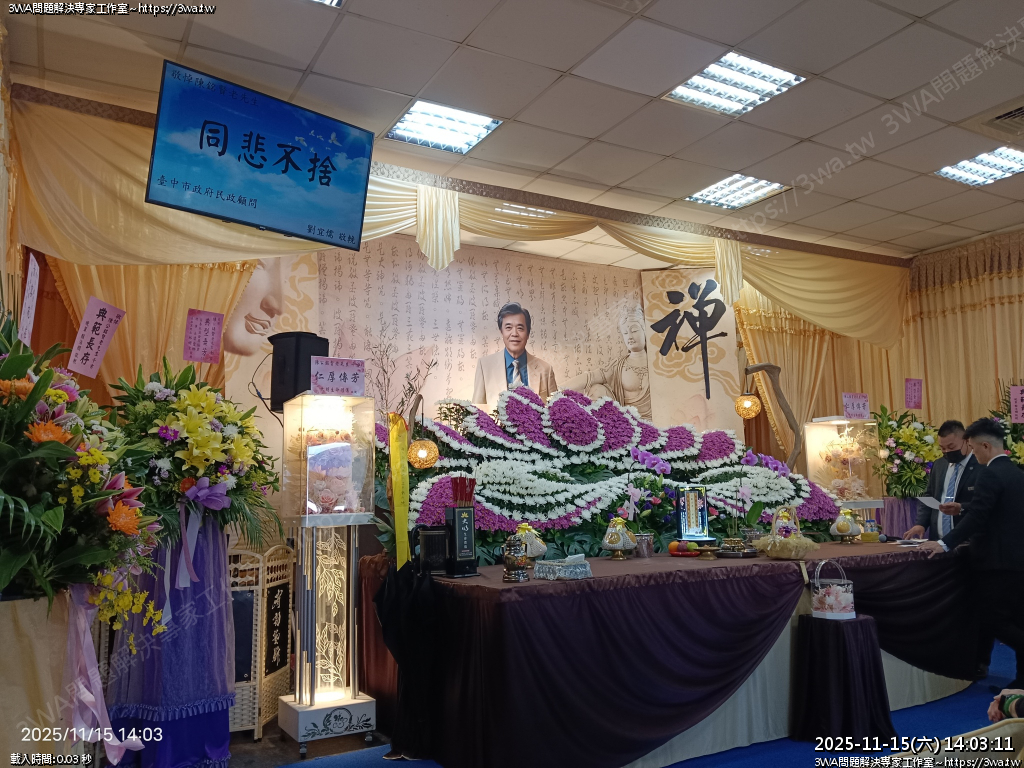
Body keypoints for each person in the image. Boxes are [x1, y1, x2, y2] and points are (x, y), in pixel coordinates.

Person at [921, 418, 1024, 688]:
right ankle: (1020, 685)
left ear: (985, 446)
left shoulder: (989, 473)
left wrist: (944, 543)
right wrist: (964, 509)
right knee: (1018, 619)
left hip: (996, 562)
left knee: (993, 619)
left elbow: (978, 517)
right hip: (1017, 560)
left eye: (974, 448)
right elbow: (999, 510)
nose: (973, 454)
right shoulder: (1017, 472)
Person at [561, 304, 652, 420]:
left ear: (644, 330)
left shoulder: (658, 365)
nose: (629, 336)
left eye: (634, 330)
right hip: (626, 423)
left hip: (656, 421)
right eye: (625, 333)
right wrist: (558, 389)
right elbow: (591, 377)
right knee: (596, 390)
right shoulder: (619, 365)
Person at [904, 420, 979, 541]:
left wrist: (961, 507)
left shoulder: (980, 465)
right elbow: (929, 496)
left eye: (951, 447)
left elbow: (983, 504)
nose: (947, 452)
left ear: (966, 441)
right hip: (937, 541)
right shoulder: (939, 464)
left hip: (967, 540)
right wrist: (921, 524)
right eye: (942, 448)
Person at [472, 302, 557, 407]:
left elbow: (555, 411)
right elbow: (477, 410)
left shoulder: (545, 369)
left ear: (528, 333)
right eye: (508, 327)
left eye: (520, 328)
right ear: (501, 332)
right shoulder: (485, 366)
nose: (514, 334)